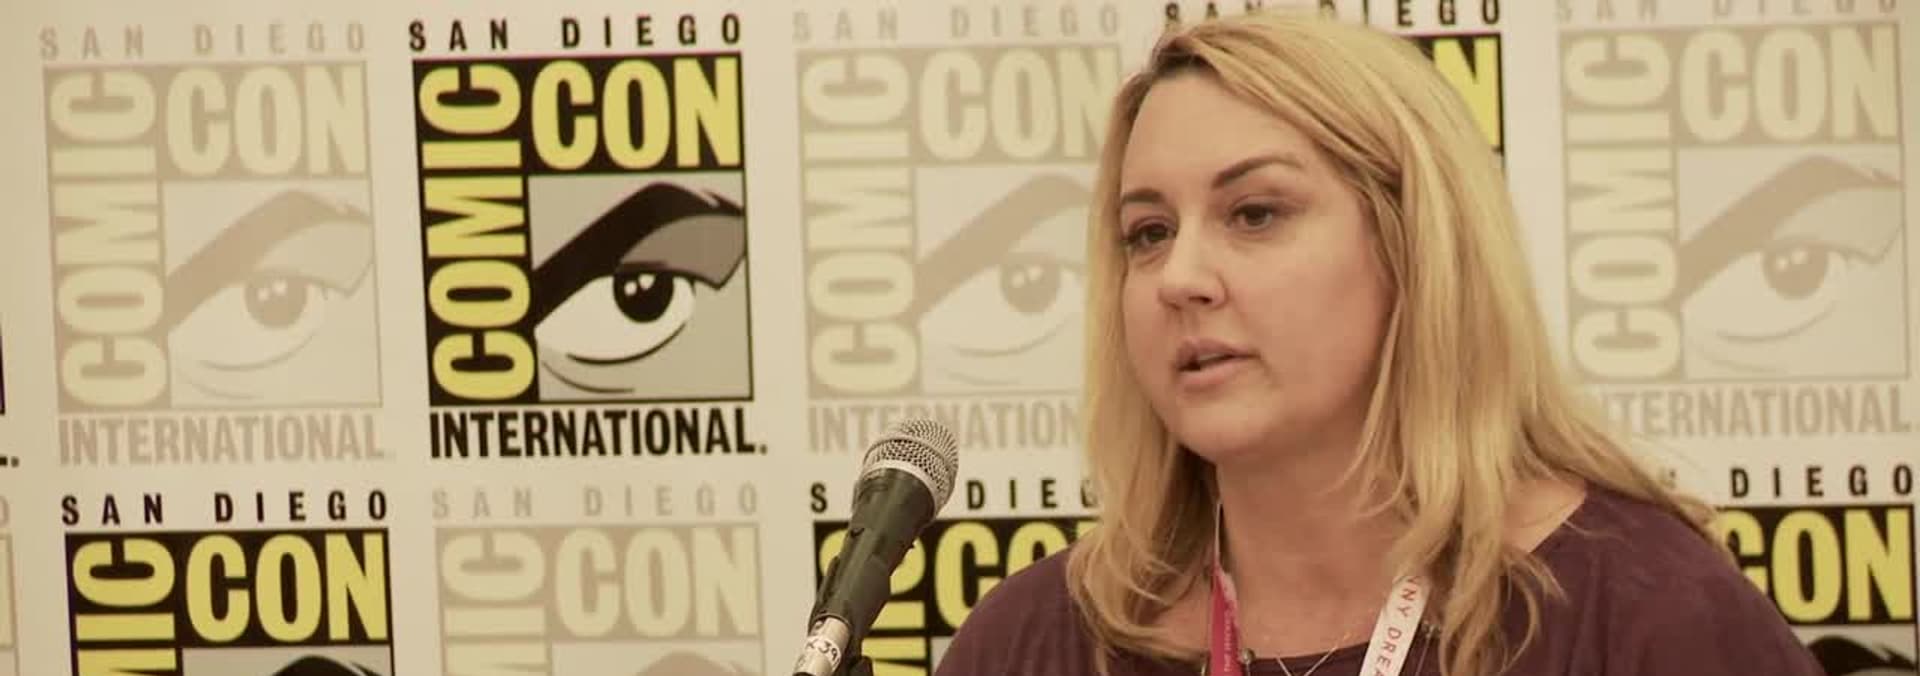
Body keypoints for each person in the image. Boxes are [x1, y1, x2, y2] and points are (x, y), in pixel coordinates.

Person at [934, 10, 1823, 676]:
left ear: (1414, 247)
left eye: (1254, 213)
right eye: (1148, 233)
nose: (1180, 277)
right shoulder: (1036, 641)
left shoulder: (1646, 617)